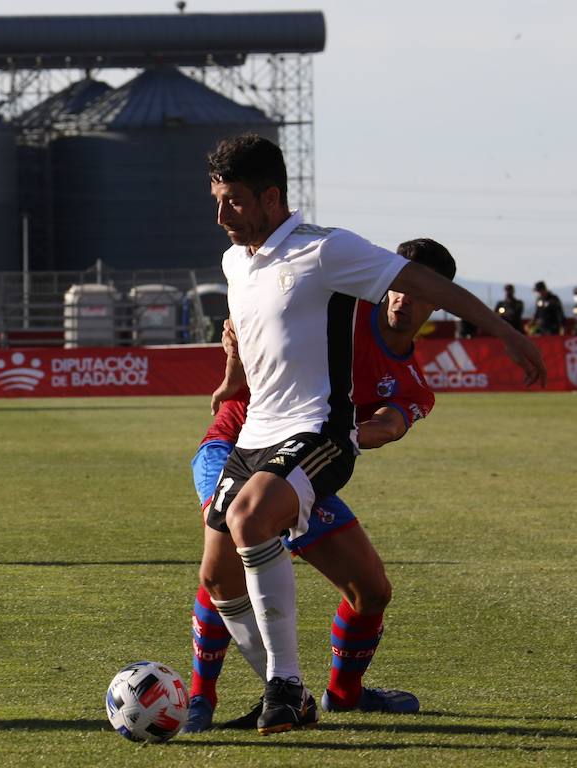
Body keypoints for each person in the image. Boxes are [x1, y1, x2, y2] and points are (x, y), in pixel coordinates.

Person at [202, 134, 542, 735]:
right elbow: (248, 330)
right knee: (217, 577)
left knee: (252, 518)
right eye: (217, 200)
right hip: (253, 434)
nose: (221, 215)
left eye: (232, 202)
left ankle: (286, 686)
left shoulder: (326, 249)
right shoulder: (236, 262)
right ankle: (290, 697)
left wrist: (505, 332)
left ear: (271, 197)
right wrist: (232, 376)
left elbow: (425, 281)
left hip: (317, 431)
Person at [184, 238, 452, 733]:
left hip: (306, 460)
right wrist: (234, 355)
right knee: (225, 555)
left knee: (371, 591)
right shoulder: (342, 311)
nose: (401, 298)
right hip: (233, 442)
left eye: (415, 291)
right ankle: (201, 699)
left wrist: (343, 433)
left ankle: (342, 697)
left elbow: (388, 426)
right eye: (396, 286)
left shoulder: (412, 382)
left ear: (437, 300)